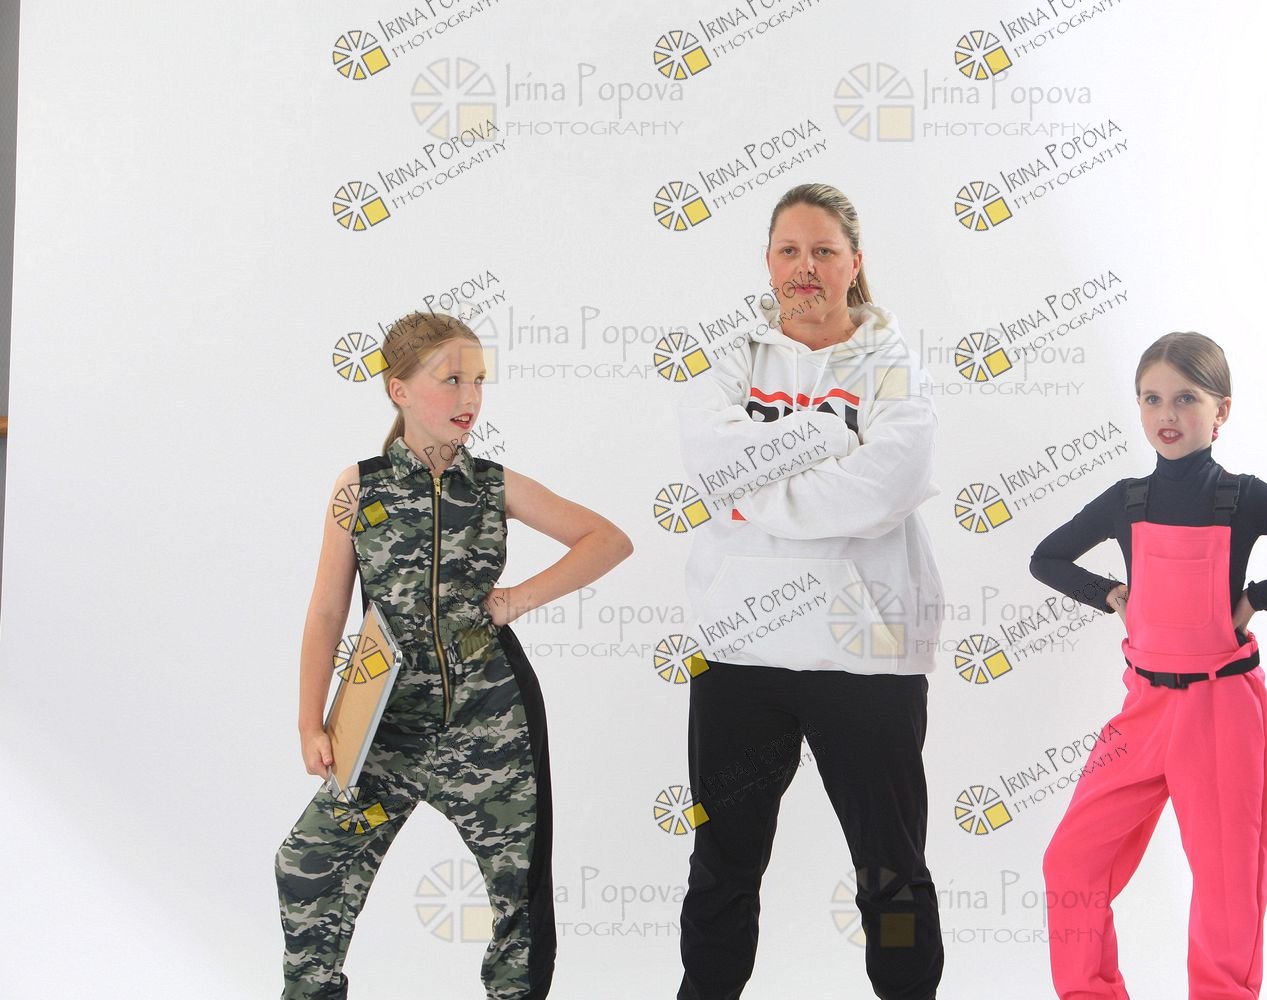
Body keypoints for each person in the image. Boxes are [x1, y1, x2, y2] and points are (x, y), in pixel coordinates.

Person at [274, 311, 632, 1000]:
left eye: (479, 381)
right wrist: (310, 721)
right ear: (399, 390)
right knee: (306, 864)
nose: (470, 397)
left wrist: (516, 599)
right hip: (387, 728)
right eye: (451, 380)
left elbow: (607, 540)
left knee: (518, 895)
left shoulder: (494, 485)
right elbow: (325, 612)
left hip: (492, 720)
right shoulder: (360, 488)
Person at [1029, 331, 1267, 999]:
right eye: (1152, 398)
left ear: (1222, 411)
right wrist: (1111, 594)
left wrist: (1257, 599)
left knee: (1226, 887)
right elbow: (1047, 558)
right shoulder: (1127, 500)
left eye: (1186, 398)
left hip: (1222, 711)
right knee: (1071, 863)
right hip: (1143, 711)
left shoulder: (1244, 497)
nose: (1168, 413)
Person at [675, 183, 945, 1000]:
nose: (805, 267)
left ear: (854, 263)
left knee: (890, 870)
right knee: (722, 867)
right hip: (740, 653)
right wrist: (830, 434)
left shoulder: (893, 362)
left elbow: (883, 490)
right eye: (789, 250)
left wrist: (758, 484)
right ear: (768, 262)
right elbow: (713, 465)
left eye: (824, 251)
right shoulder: (731, 358)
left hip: (868, 656)